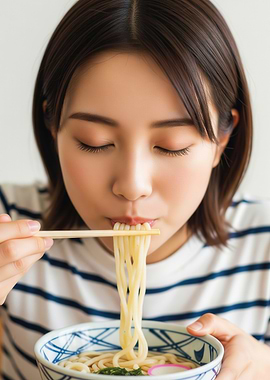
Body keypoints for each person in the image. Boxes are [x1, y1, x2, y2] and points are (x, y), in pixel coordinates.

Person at [0, 0, 269, 378]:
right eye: (94, 141)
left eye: (171, 144)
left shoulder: (265, 246)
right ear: (53, 127)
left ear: (223, 139)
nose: (132, 186)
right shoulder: (9, 224)